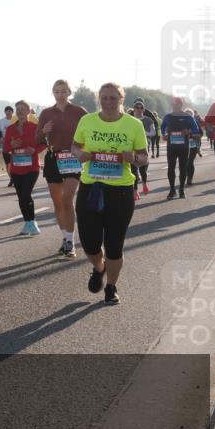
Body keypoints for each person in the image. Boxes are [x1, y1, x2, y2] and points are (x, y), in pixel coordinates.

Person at [72, 82, 148, 306]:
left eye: (113, 98)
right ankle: (99, 267)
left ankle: (112, 286)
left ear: (121, 99)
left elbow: (144, 157)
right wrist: (81, 155)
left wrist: (133, 158)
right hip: (91, 187)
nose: (108, 102)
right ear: (99, 99)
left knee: (114, 245)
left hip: (121, 190)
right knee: (89, 243)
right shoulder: (87, 121)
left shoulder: (133, 124)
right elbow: (75, 146)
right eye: (104, 97)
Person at [37, 79, 87, 258]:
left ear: (69, 92)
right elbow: (37, 140)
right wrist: (44, 131)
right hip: (53, 157)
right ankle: (65, 238)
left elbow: (89, 132)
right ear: (53, 93)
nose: (60, 94)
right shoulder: (46, 113)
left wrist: (84, 152)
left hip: (72, 158)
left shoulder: (79, 112)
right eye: (57, 91)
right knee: (57, 202)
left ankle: (70, 241)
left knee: (67, 199)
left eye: (63, 91)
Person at [3, 100, 46, 235]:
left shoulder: (35, 127)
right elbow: (5, 148)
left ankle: (32, 223)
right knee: (21, 197)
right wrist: (13, 145)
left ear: (28, 111)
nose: (20, 111)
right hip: (16, 169)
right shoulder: (10, 129)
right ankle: (27, 223)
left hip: (31, 168)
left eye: (23, 109)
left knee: (26, 194)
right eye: (18, 109)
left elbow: (44, 144)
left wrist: (34, 150)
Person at [161, 97, 200, 199]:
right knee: (171, 167)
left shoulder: (188, 117)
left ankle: (181, 189)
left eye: (177, 104)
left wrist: (189, 131)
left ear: (181, 105)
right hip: (171, 147)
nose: (175, 106)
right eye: (173, 105)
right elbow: (163, 128)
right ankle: (172, 190)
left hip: (183, 147)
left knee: (183, 168)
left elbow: (196, 131)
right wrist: (164, 135)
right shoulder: (168, 117)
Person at [129, 101, 152, 197]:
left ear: (143, 109)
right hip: (132, 147)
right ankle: (135, 191)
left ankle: (144, 184)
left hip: (144, 147)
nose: (139, 109)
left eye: (141, 107)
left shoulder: (148, 120)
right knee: (133, 169)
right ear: (134, 109)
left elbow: (153, 133)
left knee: (143, 169)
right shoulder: (129, 120)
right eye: (137, 108)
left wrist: (142, 134)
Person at [0, 106, 15, 187]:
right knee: (8, 164)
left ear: (12, 112)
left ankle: (16, 178)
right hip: (5, 146)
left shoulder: (15, 120)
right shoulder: (1, 121)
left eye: (10, 111)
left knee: (14, 163)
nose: (8, 112)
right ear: (5, 112)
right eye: (6, 111)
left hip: (15, 145)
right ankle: (12, 178)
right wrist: (1, 138)